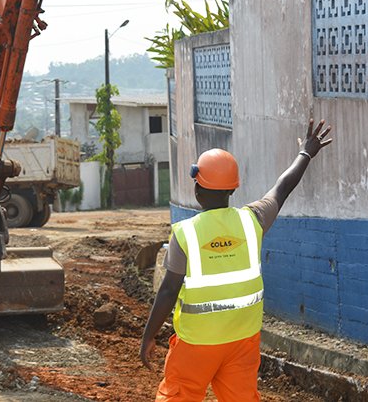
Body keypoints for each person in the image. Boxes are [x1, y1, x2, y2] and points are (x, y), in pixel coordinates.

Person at [140, 119, 333, 401]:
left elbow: (168, 290)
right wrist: (305, 153)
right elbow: (282, 187)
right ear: (232, 190)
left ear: (197, 189)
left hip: (197, 342)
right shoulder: (252, 219)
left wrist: (148, 336)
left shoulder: (186, 234)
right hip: (242, 339)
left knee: (179, 394)